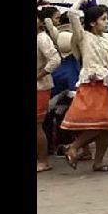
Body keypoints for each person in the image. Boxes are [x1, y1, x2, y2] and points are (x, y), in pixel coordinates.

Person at [61, 0, 108, 172]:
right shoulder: (83, 37)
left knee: (107, 127)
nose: (106, 22)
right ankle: (74, 146)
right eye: (103, 19)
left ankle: (98, 162)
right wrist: (82, 1)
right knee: (97, 124)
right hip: (92, 85)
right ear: (92, 22)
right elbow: (72, 14)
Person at [37, 10, 62, 173]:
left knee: (37, 126)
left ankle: (44, 161)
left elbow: (55, 60)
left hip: (40, 87)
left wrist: (39, 75)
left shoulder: (42, 38)